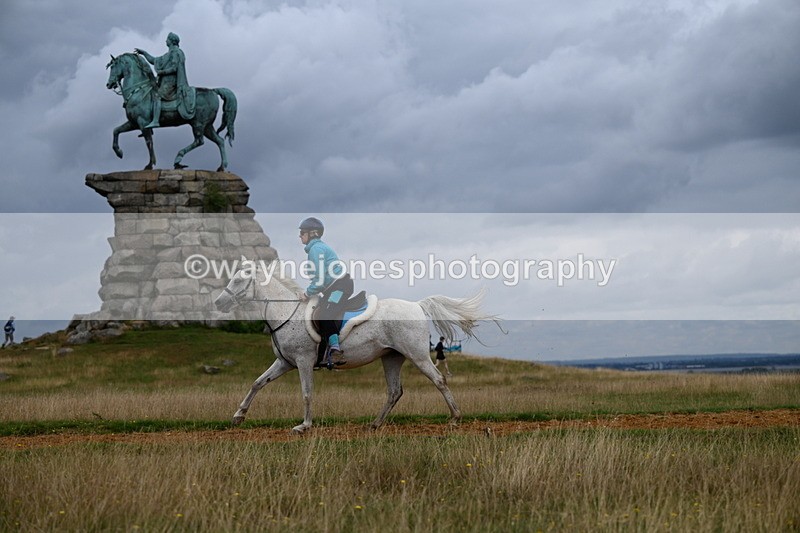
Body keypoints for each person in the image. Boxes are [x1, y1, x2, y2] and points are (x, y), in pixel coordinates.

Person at [298, 217, 352, 363]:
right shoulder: (316, 248)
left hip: (340, 287)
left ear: (312, 233)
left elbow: (319, 280)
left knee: (325, 314)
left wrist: (307, 293)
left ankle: (335, 350)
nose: (300, 235)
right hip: (334, 288)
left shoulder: (316, 249)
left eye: (302, 232)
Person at [134, 32, 195, 128]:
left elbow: (174, 68)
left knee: (157, 95)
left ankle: (155, 121)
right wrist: (144, 53)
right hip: (165, 82)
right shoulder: (168, 54)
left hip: (171, 82)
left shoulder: (176, 52)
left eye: (167, 39)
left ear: (171, 41)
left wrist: (162, 72)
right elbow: (154, 60)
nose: (166, 41)